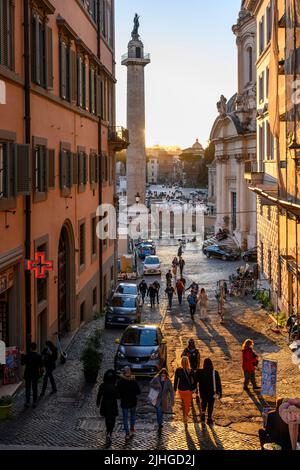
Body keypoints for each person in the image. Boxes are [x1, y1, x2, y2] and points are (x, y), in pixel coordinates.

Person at [116, 366, 141, 442]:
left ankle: (127, 433)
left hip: (124, 402)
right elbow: (138, 392)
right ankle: (132, 428)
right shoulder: (133, 381)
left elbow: (117, 394)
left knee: (125, 418)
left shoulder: (120, 382)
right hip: (133, 402)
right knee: (132, 415)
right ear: (129, 372)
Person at [196, 358, 222, 425]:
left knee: (203, 403)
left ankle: (203, 414)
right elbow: (218, 383)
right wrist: (220, 392)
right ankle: (209, 418)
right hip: (212, 392)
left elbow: (196, 381)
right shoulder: (215, 372)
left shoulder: (200, 372)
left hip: (203, 392)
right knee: (211, 405)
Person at [96, 369, 119, 445]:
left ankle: (108, 432)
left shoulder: (102, 385)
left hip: (105, 404)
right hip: (112, 404)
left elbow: (99, 395)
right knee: (112, 419)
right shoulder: (114, 387)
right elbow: (118, 396)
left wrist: (98, 402)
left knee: (107, 419)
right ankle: (110, 432)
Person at [21, 342, 43, 408]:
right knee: (34, 388)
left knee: (28, 388)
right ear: (36, 348)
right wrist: (41, 374)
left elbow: (22, 363)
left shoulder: (27, 355)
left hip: (28, 374)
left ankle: (27, 402)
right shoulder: (39, 356)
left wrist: (22, 355)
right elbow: (41, 367)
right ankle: (34, 402)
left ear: (30, 348)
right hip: (35, 374)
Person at [174, 356, 195, 424]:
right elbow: (194, 381)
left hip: (181, 390)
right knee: (187, 405)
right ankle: (185, 417)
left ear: (181, 362)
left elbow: (176, 380)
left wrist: (174, 389)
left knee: (183, 402)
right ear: (188, 362)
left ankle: (184, 415)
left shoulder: (178, 370)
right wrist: (195, 389)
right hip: (188, 390)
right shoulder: (191, 370)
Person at [182, 339, 201, 404]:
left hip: (194, 369)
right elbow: (182, 356)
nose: (192, 345)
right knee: (189, 382)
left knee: (195, 382)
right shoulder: (186, 350)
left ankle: (197, 395)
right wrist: (186, 356)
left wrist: (197, 368)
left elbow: (198, 360)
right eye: (190, 343)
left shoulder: (196, 351)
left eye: (192, 343)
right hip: (188, 369)